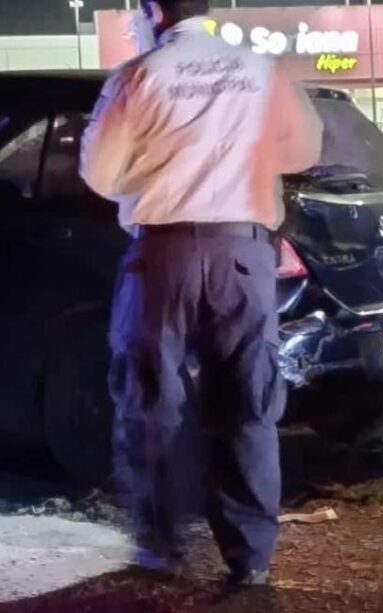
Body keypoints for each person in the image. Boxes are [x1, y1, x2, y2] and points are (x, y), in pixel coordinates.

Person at [79, 0, 323, 586]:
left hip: (163, 255)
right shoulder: (261, 70)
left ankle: (161, 546)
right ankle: (251, 558)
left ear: (155, 11)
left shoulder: (138, 76)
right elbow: (303, 151)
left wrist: (162, 165)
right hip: (243, 252)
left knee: (152, 400)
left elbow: (100, 174)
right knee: (248, 401)